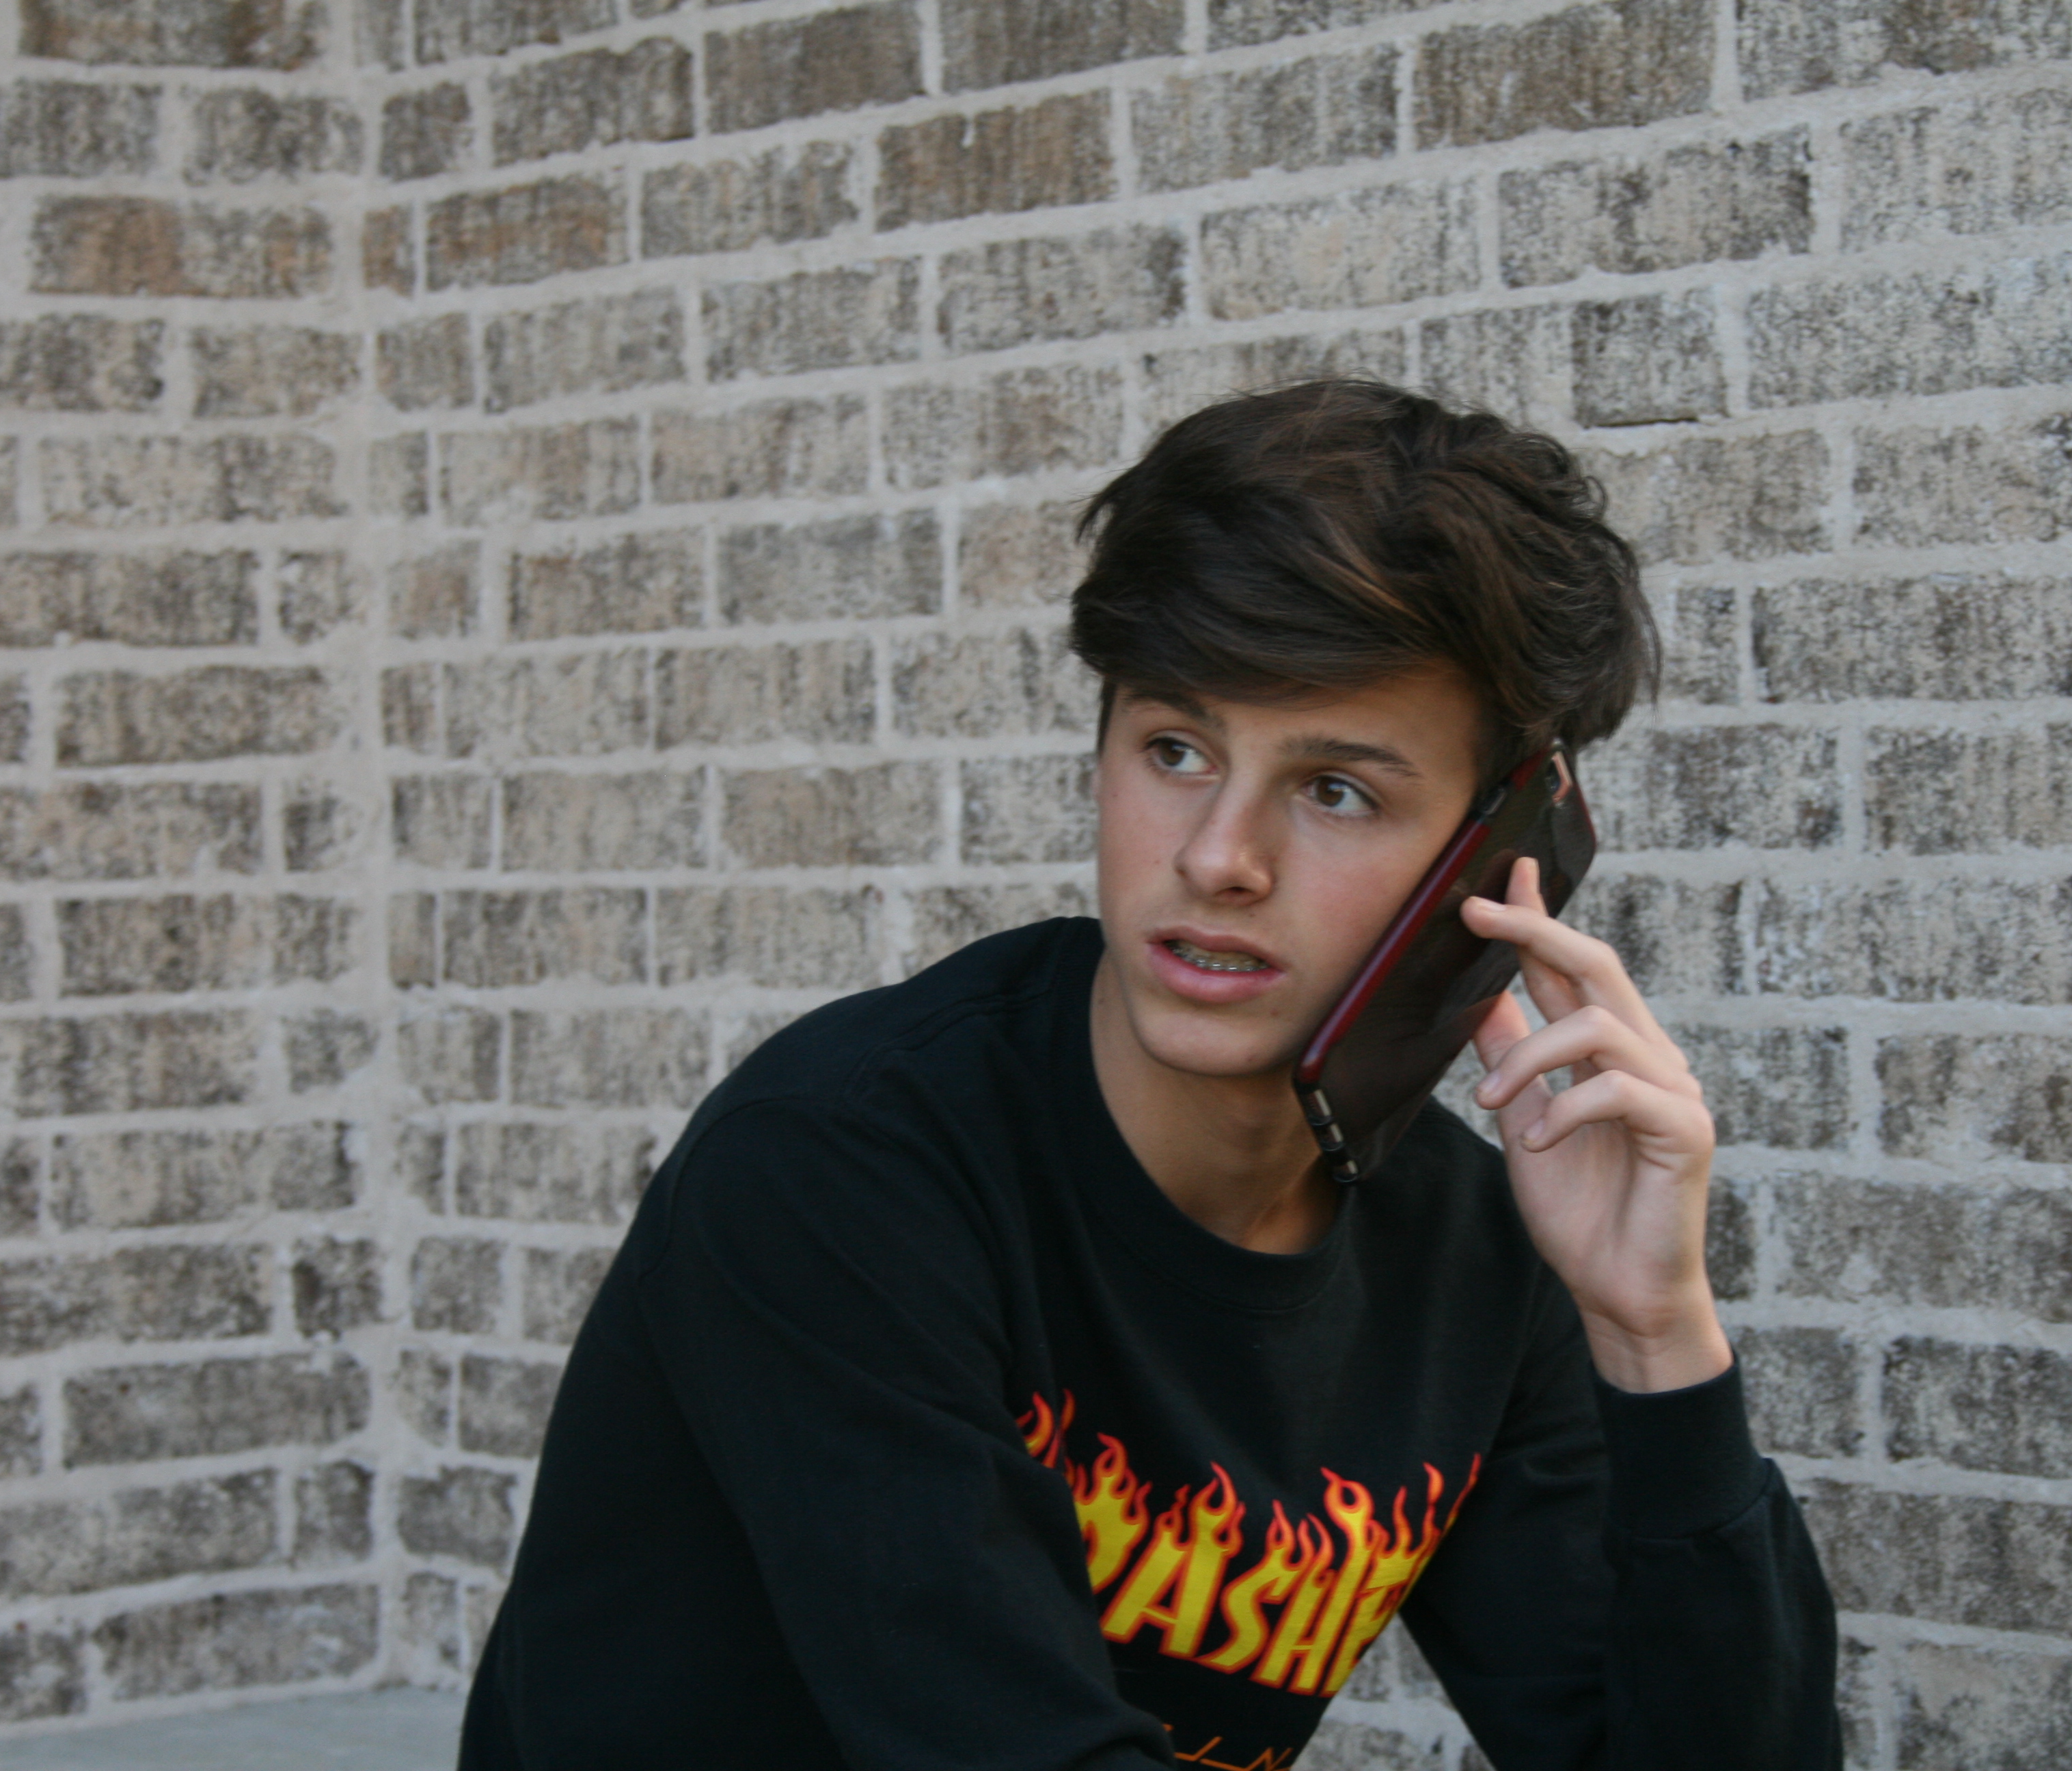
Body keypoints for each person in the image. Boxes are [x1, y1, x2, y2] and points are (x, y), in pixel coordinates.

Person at [459, 380, 1840, 1770]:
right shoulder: (838, 1167)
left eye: (1336, 789)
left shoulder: (1477, 1252)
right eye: (1175, 750)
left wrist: (1657, 1332)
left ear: (1499, 860)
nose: (1217, 857)